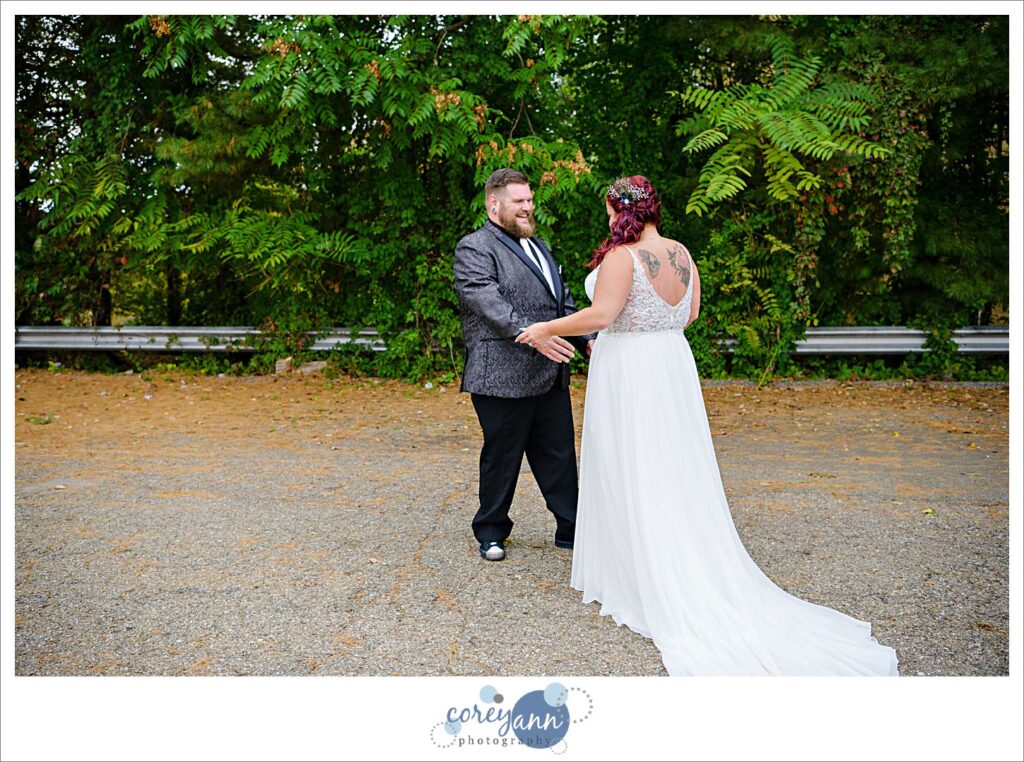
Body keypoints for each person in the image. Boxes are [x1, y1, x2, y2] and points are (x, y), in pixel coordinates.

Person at [515, 176, 899, 675]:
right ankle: (667, 556)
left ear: (624, 212)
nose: (607, 221)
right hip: (670, 364)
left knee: (635, 464)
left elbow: (603, 313)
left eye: (610, 211)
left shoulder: (622, 257)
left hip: (631, 372)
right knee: (672, 468)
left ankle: (645, 574)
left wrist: (547, 327)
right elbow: (690, 313)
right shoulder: (682, 254)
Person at [453, 168, 596, 562]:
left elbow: (561, 303)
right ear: (493, 203)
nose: (528, 207)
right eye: (519, 201)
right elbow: (487, 301)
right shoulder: (474, 247)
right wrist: (535, 334)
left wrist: (586, 339)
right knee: (503, 457)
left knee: (559, 455)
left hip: (549, 373)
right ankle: (491, 531)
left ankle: (571, 530)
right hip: (501, 375)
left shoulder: (540, 246)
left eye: (530, 200)